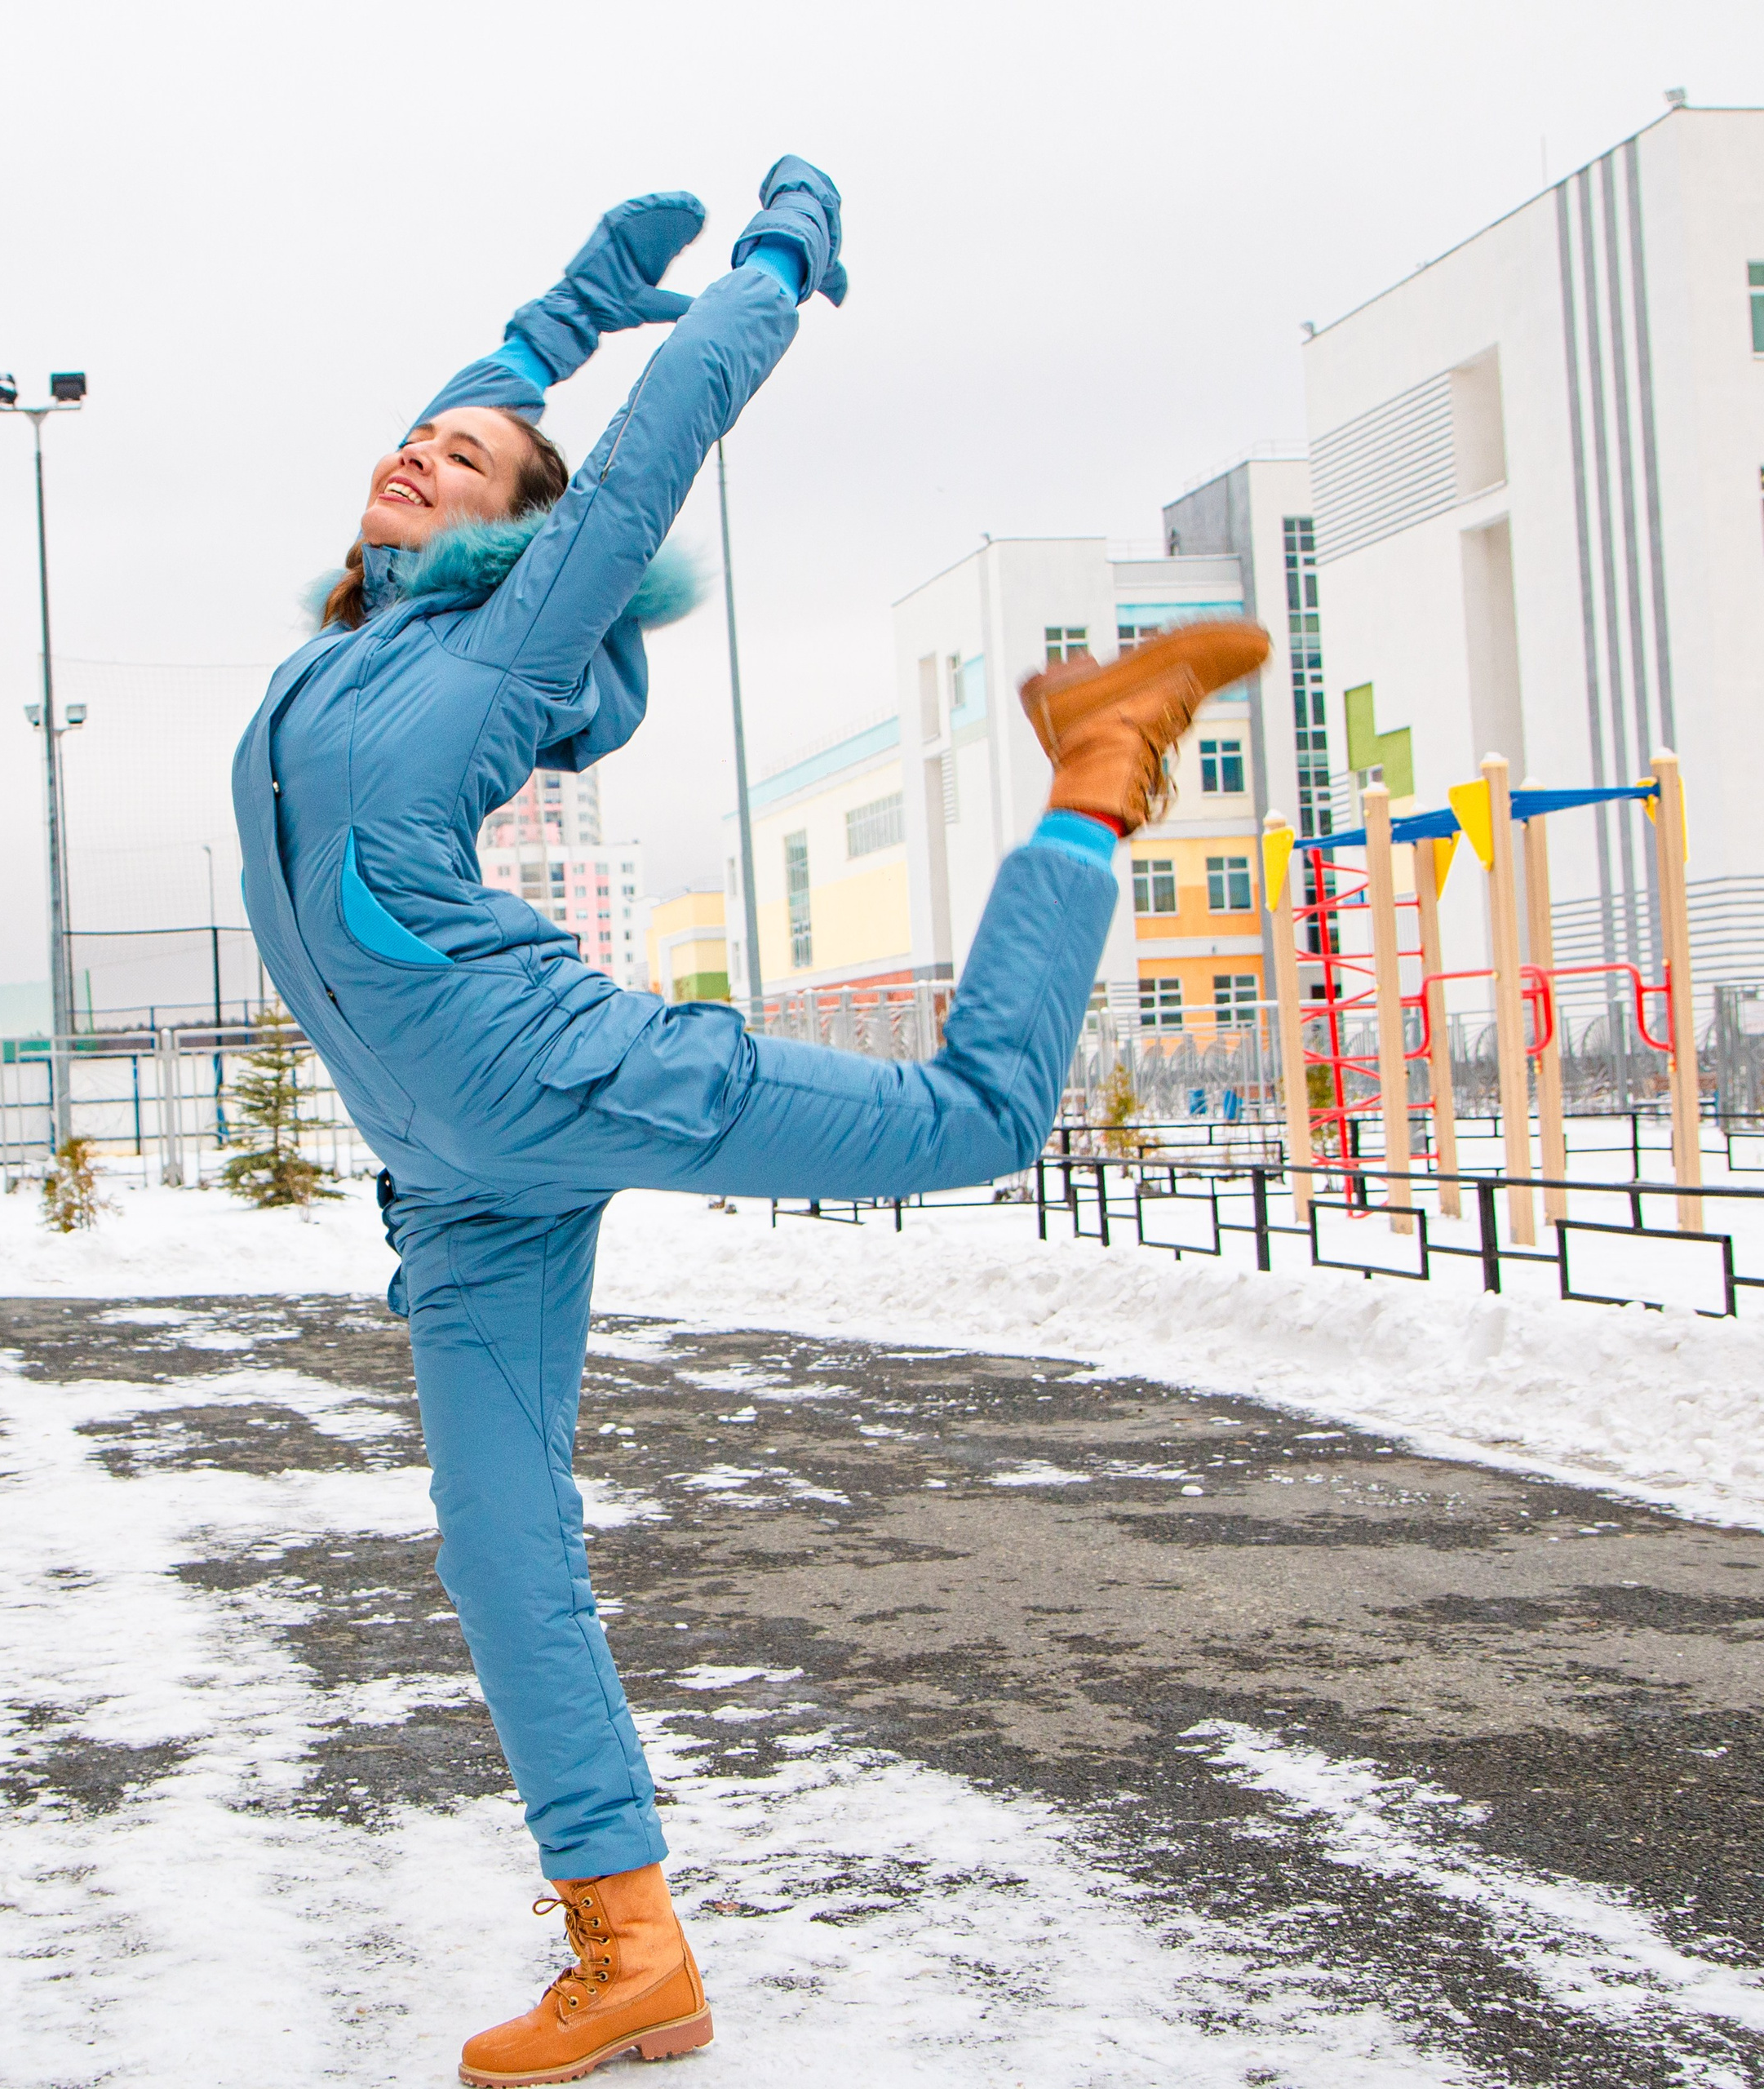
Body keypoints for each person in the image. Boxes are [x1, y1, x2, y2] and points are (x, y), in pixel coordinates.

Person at [233, 160, 1268, 2087]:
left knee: (972, 1114)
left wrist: (777, 262)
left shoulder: (491, 646)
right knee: (493, 1529)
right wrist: (561, 302)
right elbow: (502, 399)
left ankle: (1097, 768)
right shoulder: (345, 646)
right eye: (409, 438)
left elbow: (630, 457)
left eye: (456, 459)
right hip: (454, 1184)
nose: (416, 450)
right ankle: (627, 1949)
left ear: (509, 539)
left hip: (551, 1064)